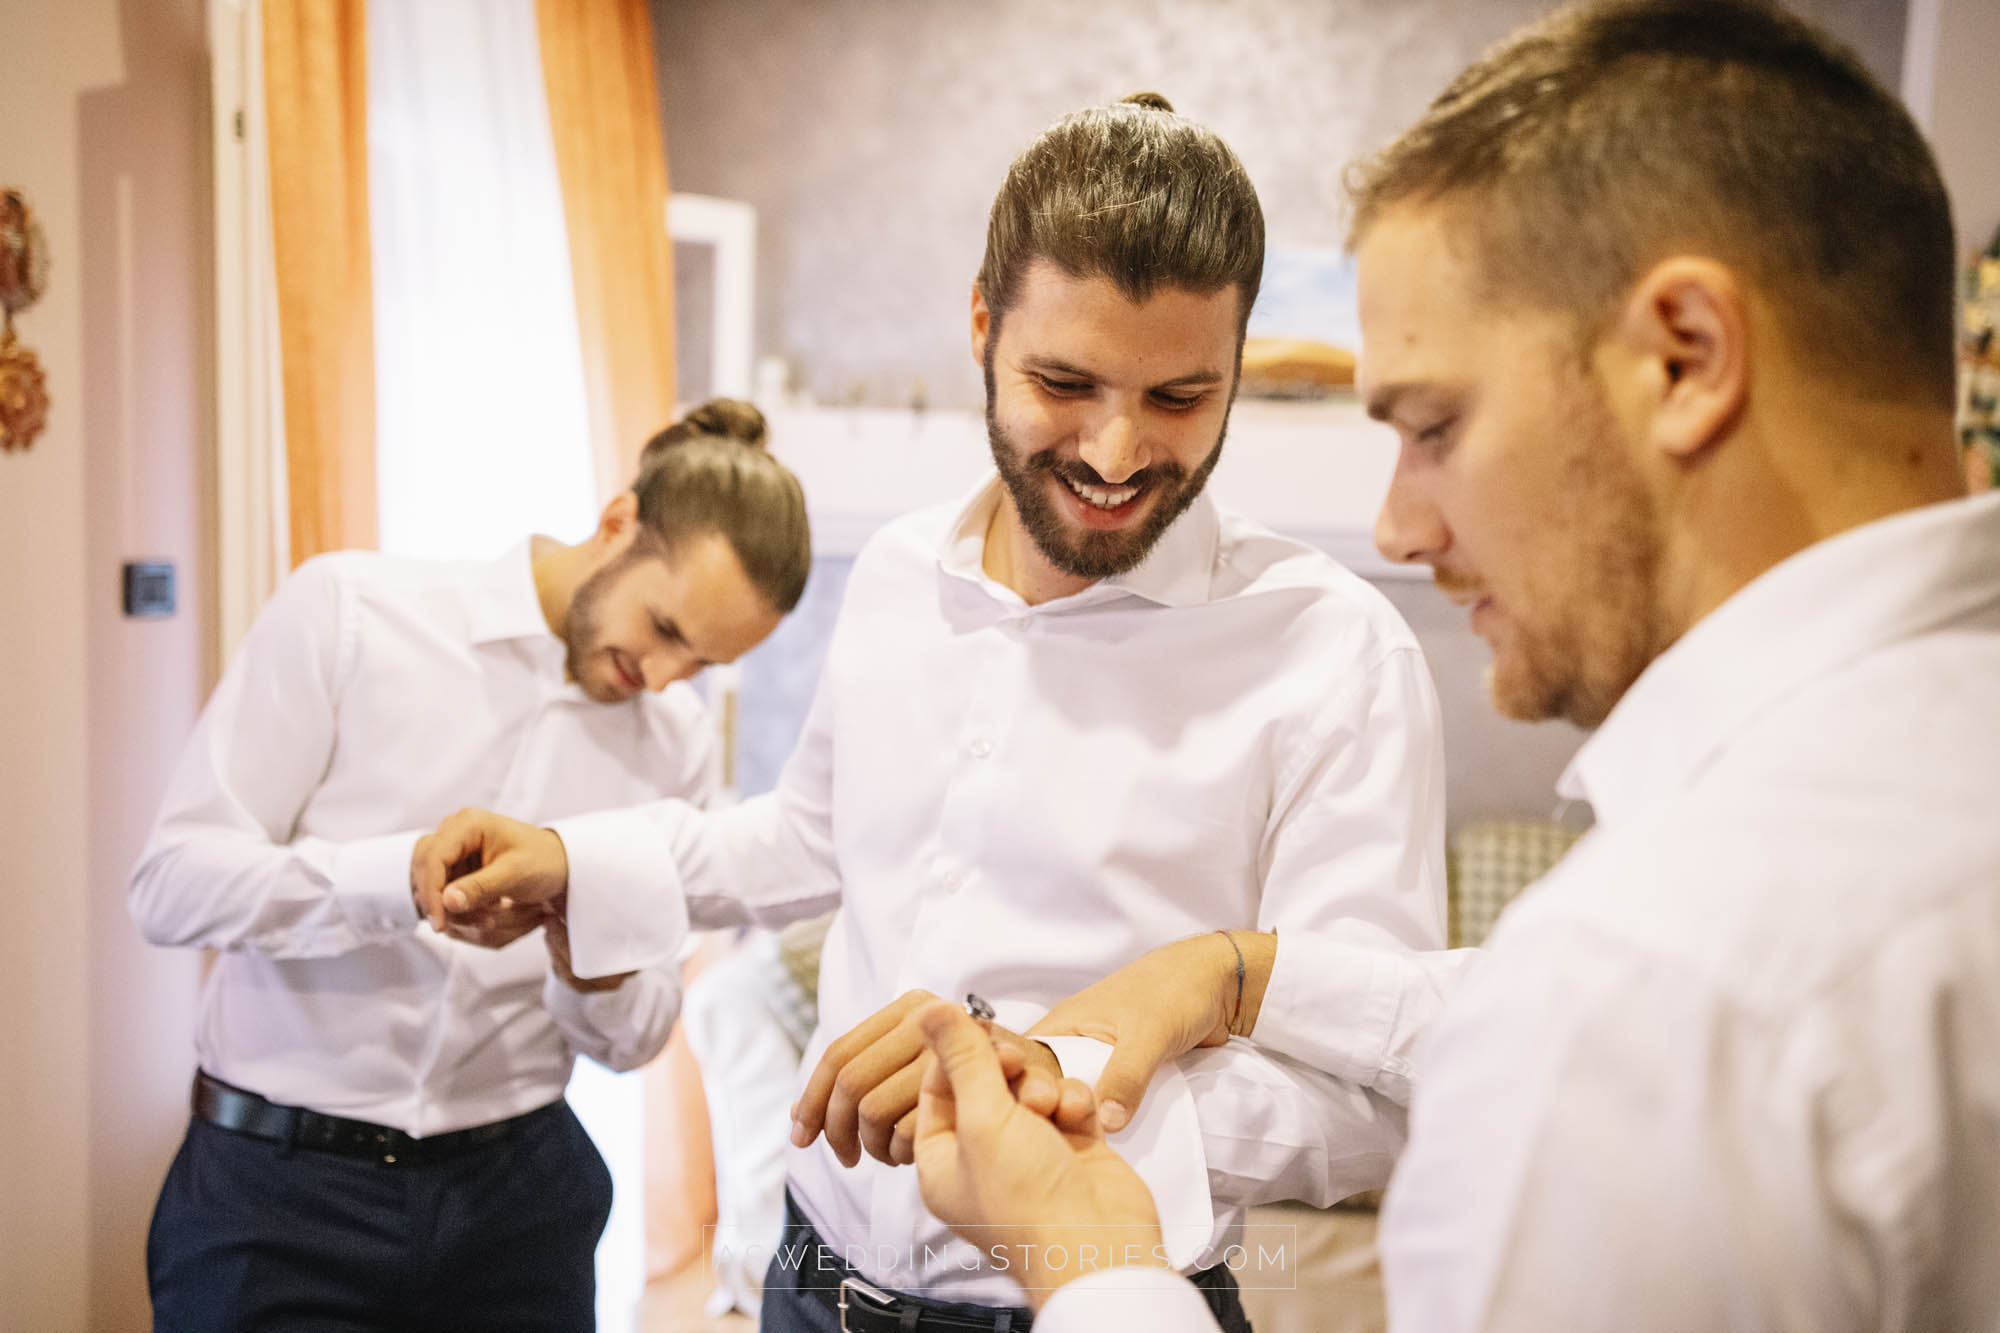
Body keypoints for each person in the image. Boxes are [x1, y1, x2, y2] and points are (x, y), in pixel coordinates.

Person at [910, 2, 2000, 1329]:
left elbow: (1614, 1004)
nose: (1398, 527)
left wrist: (1087, 1255)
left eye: (1431, 426)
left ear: (1684, 357)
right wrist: (1232, 969)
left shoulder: (1644, 985)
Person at [418, 93, 1464, 1331]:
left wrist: (1049, 1095)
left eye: (1180, 397)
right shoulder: (899, 573)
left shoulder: (1334, 653)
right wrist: (578, 862)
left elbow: (1374, 1090)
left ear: (1236, 365)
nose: (1116, 453)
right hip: (811, 1279)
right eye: (1062, 382)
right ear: (980, 325)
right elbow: (804, 840)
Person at [130, 400, 809, 1331]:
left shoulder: (674, 743)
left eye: (700, 662)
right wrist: (396, 878)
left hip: (520, 1202)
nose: (660, 676)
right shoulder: (352, 613)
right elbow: (170, 885)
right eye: (663, 626)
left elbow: (635, 1038)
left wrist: (584, 947)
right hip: (277, 1195)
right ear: (618, 522)